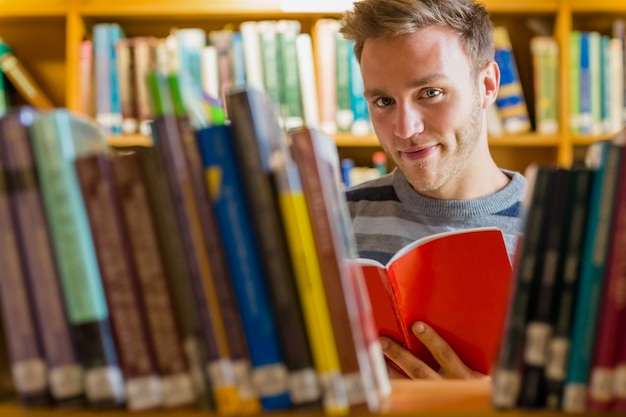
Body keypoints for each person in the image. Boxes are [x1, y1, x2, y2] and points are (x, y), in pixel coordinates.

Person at [339, 0, 527, 380]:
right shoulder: (332, 220)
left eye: (430, 93)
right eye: (383, 101)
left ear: (487, 85)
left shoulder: (568, 229)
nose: (404, 129)